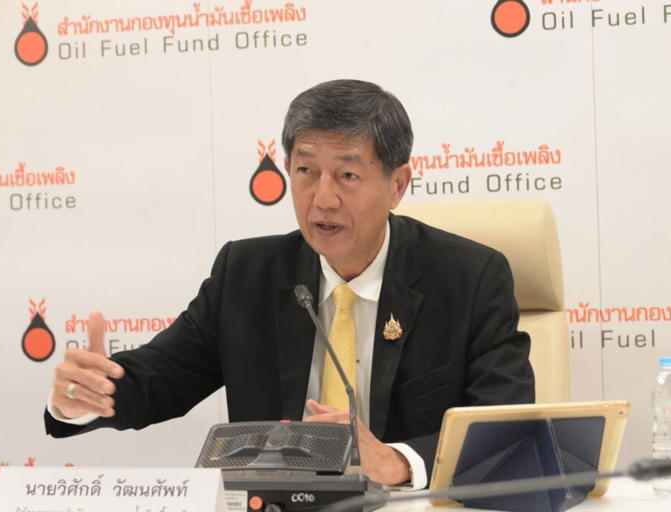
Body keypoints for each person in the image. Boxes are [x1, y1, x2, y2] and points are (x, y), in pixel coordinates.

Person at [45, 79, 534, 489]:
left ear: (398, 185)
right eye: (305, 171)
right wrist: (87, 395)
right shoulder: (246, 273)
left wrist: (398, 461)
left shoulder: (470, 279)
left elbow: (506, 429)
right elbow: (158, 381)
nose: (322, 199)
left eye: (347, 175)